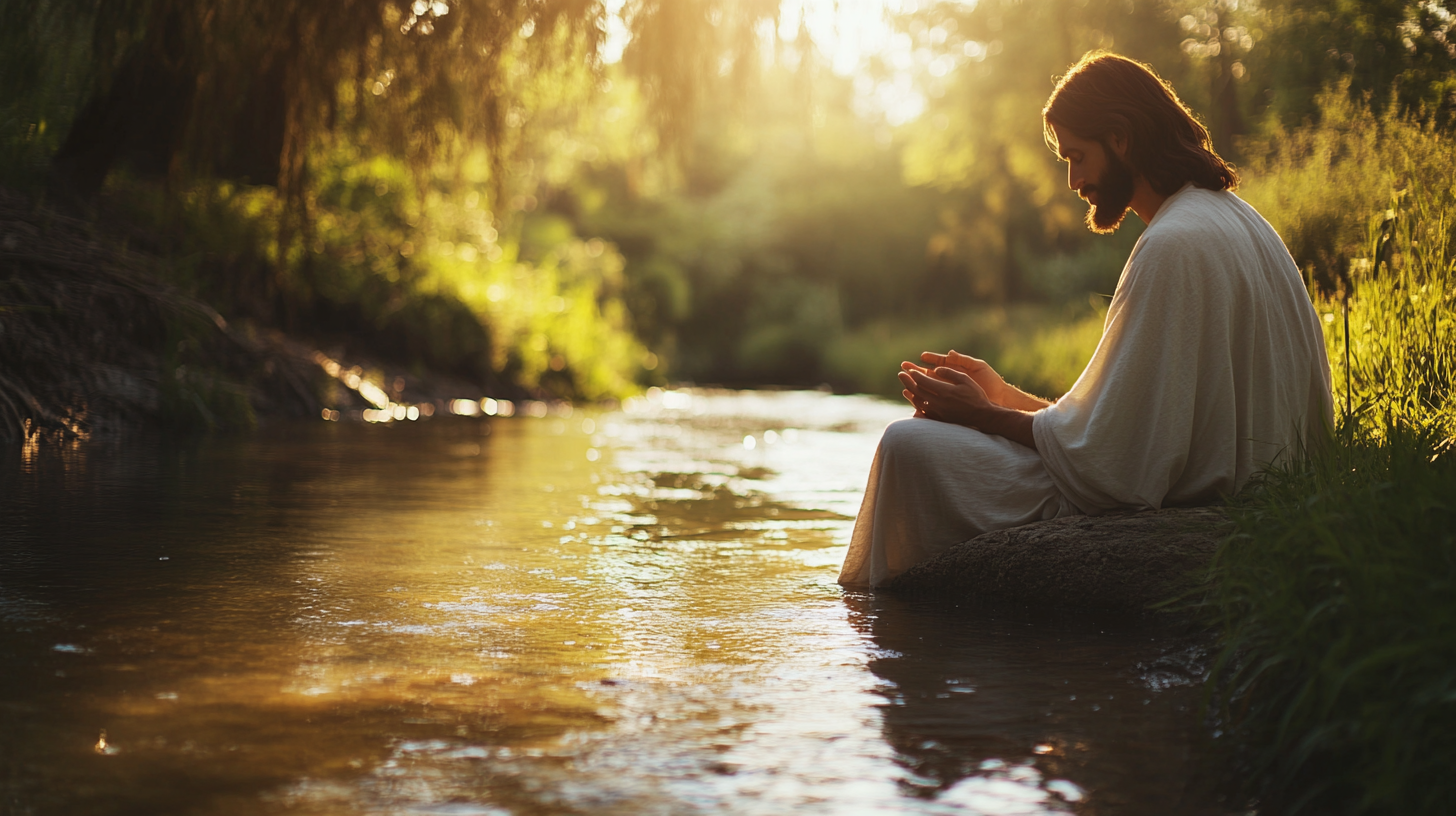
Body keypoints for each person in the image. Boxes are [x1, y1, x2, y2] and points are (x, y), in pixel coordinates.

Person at [838, 52, 1333, 588]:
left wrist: (982, 415)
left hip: (1195, 505)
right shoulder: (1241, 222)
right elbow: (1129, 426)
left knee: (908, 445)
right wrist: (1004, 397)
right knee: (929, 433)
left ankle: (897, 632)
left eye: (1077, 156)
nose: (1073, 181)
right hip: (1256, 489)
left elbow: (1118, 469)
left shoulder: (1171, 244)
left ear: (1120, 139)